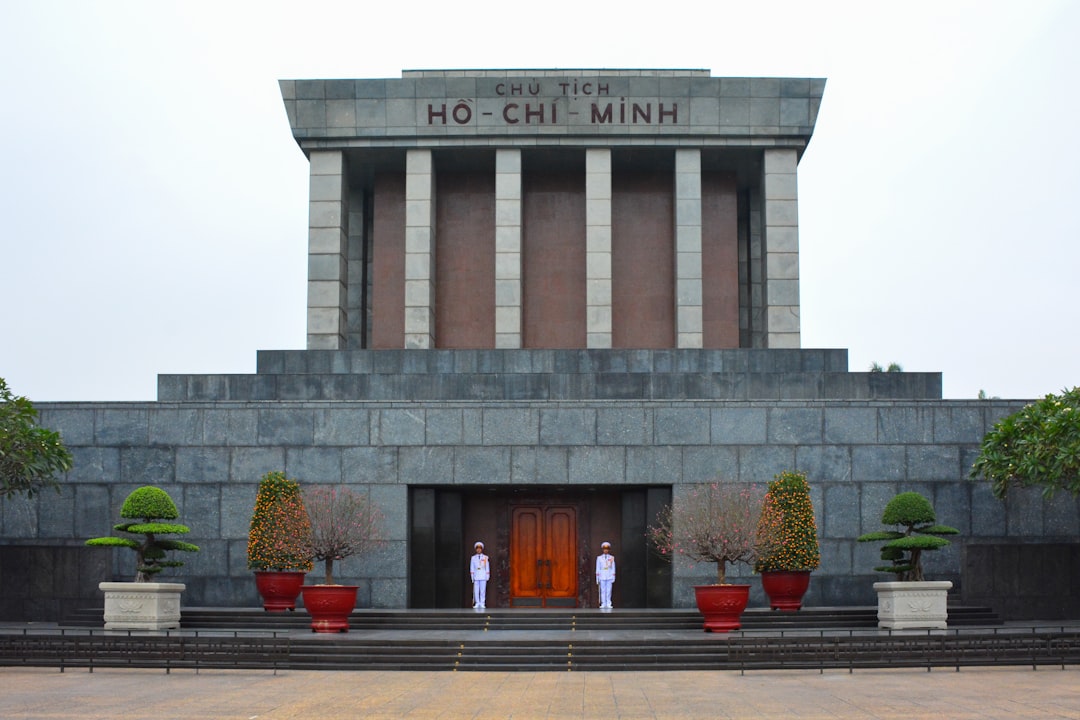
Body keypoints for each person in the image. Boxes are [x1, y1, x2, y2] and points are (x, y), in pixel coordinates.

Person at [469, 541, 490, 609]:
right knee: (476, 590)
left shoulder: (485, 557)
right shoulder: (473, 558)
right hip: (476, 574)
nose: (478, 549)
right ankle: (477, 602)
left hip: (483, 574)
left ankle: (482, 603)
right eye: (477, 548)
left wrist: (487, 575)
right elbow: (472, 567)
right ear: (476, 549)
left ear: (482, 549)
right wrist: (472, 576)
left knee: (482, 590)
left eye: (480, 548)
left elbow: (487, 566)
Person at [595, 541, 616, 609]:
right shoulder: (599, 558)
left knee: (609, 590)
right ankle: (603, 603)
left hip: (609, 575)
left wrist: (613, 576)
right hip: (602, 575)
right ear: (602, 549)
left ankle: (609, 603)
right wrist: (597, 577)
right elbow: (598, 568)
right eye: (604, 549)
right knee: (603, 590)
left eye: (607, 549)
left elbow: (613, 567)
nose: (605, 550)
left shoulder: (611, 557)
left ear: (608, 550)